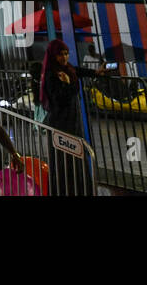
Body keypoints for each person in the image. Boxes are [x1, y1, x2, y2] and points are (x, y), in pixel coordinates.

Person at [39, 38, 96, 195]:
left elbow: (77, 70)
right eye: (60, 54)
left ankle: (79, 189)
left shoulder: (67, 69)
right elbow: (61, 98)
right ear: (53, 56)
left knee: (76, 159)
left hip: (72, 122)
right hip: (61, 124)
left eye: (66, 54)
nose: (64, 57)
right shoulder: (52, 74)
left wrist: (96, 72)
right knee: (65, 161)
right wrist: (69, 83)